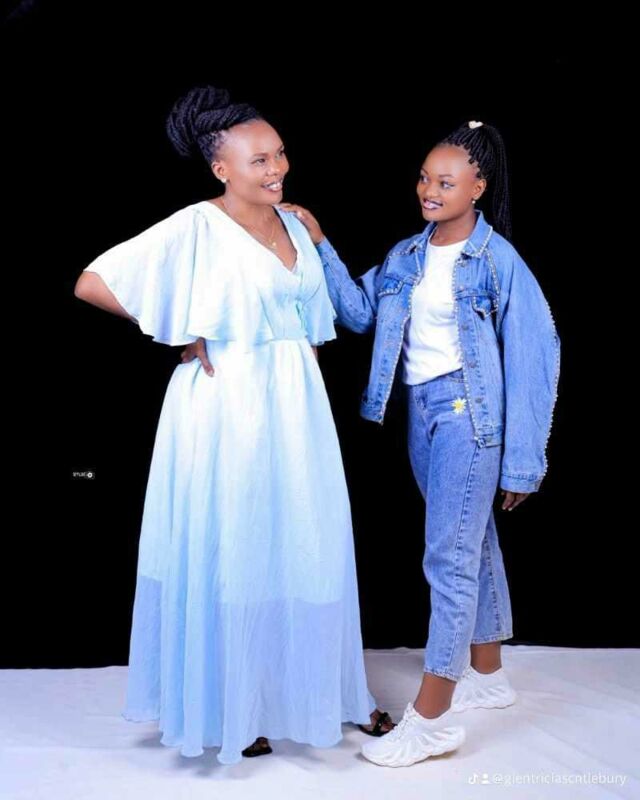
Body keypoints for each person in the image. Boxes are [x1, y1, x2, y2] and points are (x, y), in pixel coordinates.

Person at [73, 85, 393, 766]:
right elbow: (94, 281)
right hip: (228, 409)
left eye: (279, 154)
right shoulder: (197, 225)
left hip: (295, 408)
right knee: (239, 549)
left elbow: (316, 321)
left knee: (303, 546)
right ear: (221, 169)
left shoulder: (298, 224)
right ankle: (236, 707)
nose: (277, 169)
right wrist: (180, 331)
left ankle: (324, 694)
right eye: (259, 161)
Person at [271, 120, 561, 767]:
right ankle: (489, 676)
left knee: (448, 561)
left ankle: (430, 722)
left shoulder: (496, 260)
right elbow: (357, 312)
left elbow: (535, 352)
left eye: (446, 182)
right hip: (423, 416)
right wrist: (319, 244)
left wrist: (523, 460)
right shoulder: (407, 255)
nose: (430, 191)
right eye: (425, 178)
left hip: (469, 416)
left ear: (478, 187)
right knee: (471, 540)